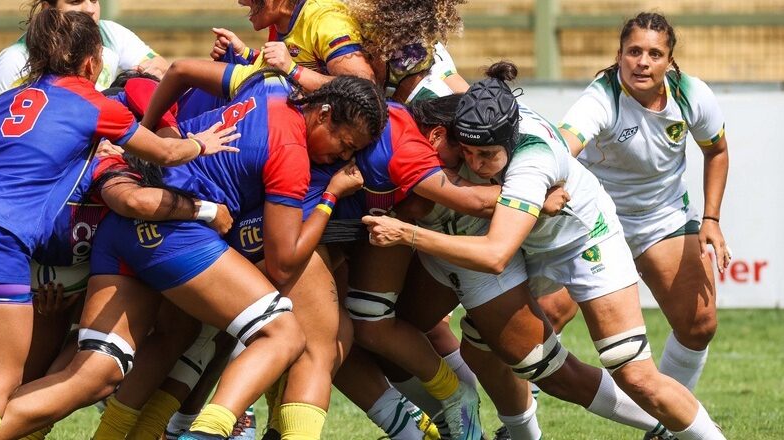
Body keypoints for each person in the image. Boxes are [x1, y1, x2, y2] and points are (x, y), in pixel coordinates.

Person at [0, 72, 387, 440]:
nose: (340, 158)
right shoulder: (291, 153)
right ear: (324, 113)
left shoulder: (269, 90)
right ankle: (207, 433)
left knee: (96, 372)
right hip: (175, 230)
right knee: (281, 334)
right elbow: (283, 262)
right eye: (344, 145)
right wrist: (331, 196)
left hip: (126, 227)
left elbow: (177, 69)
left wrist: (153, 131)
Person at [364, 61, 727, 440]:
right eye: (467, 151)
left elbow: (494, 255)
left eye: (486, 155)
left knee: (632, 371)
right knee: (481, 353)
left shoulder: (531, 160)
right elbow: (447, 85)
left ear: (509, 141)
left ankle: (686, 431)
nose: (474, 163)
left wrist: (407, 234)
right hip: (522, 243)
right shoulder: (466, 110)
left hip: (581, 241)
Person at [0, 9, 235, 440]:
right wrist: (202, 143)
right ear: (92, 62)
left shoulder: (2, 101)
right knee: (1, 379)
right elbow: (162, 154)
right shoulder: (94, 103)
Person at [557, 13, 727, 422]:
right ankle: (519, 418)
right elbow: (563, 146)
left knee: (699, 324)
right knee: (541, 318)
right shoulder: (601, 98)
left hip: (662, 219)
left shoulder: (691, 95)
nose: (642, 62)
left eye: (654, 53)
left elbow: (716, 151)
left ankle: (667, 419)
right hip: (593, 221)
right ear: (619, 56)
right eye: (634, 51)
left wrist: (712, 220)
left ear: (670, 61)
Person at [0, 0, 168, 99]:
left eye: (94, 0)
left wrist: (150, 72)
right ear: (48, 9)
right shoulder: (16, 57)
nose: (90, 10)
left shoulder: (111, 33)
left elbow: (161, 66)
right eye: (76, 2)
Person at [210, 0, 375, 92]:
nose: (240, 1)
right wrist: (245, 54)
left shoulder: (327, 21)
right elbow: (290, 58)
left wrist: (294, 71)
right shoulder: (281, 20)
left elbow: (365, 88)